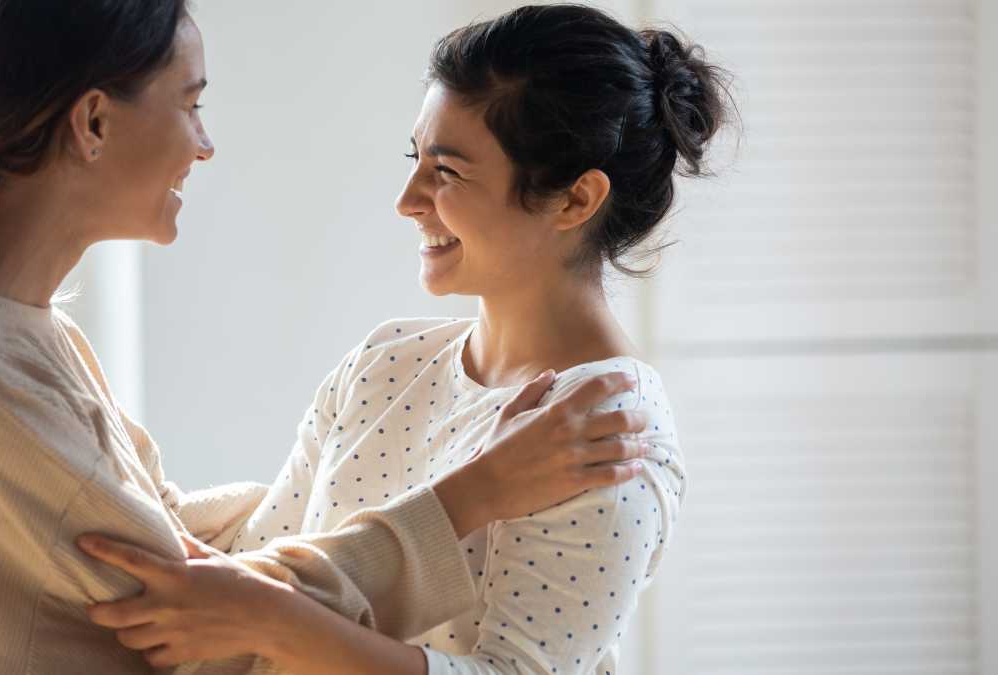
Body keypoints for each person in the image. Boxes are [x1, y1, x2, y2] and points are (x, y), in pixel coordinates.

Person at [0, 2, 648, 674]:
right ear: (93, 123)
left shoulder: (7, 334)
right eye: (191, 104)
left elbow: (163, 533)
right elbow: (220, 640)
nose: (205, 145)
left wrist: (355, 479)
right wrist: (468, 496)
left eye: (448, 169)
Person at [78, 4, 731, 674]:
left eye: (445, 171)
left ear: (574, 200)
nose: (407, 198)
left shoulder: (607, 423)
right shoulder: (386, 362)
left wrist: (276, 621)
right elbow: (264, 563)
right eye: (415, 158)